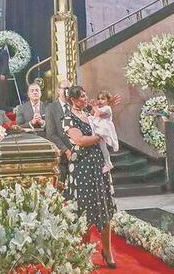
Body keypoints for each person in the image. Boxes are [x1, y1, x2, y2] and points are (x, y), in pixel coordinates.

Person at [63, 86, 117, 268]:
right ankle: (84, 252)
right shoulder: (68, 118)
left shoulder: (88, 113)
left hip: (99, 165)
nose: (85, 99)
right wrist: (101, 136)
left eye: (86, 95)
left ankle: (107, 251)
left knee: (105, 206)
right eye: (82, 97)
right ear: (73, 100)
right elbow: (79, 140)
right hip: (82, 167)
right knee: (84, 209)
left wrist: (108, 109)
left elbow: (103, 117)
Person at [45, 79, 73, 182]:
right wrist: (66, 150)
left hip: (77, 151)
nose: (67, 91)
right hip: (61, 155)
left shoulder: (75, 106)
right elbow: (51, 133)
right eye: (65, 88)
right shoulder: (51, 108)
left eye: (69, 89)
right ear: (58, 90)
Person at [89, 91, 119, 174]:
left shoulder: (107, 108)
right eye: (98, 99)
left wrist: (94, 106)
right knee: (103, 147)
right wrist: (93, 107)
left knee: (103, 146)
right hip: (99, 127)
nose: (100, 101)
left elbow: (98, 114)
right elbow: (92, 114)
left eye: (102, 99)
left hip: (104, 129)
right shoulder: (99, 107)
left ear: (108, 101)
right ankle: (108, 163)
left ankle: (108, 163)